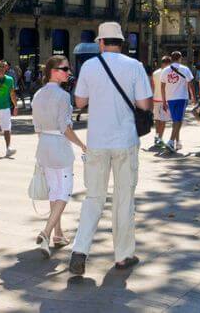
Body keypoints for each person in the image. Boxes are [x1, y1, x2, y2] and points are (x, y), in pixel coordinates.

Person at [69, 22, 152, 275]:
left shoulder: (90, 66)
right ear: (121, 43)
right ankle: (123, 255)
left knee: (93, 197)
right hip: (125, 141)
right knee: (124, 199)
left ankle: (80, 251)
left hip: (96, 141)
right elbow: (145, 105)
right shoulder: (135, 66)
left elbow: (80, 101)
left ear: (100, 42)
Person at [32, 55, 86, 258]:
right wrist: (82, 145)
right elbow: (65, 128)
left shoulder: (38, 94)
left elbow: (36, 127)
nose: (68, 73)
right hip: (59, 147)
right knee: (64, 192)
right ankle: (46, 232)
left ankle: (58, 234)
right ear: (53, 71)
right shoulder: (63, 96)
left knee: (55, 191)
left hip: (43, 144)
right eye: (65, 69)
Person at [160, 51, 195, 153]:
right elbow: (190, 84)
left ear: (171, 58)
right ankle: (171, 141)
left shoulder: (165, 70)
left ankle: (178, 142)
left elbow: (162, 87)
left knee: (176, 120)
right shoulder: (185, 69)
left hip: (170, 98)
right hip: (181, 97)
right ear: (180, 58)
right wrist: (193, 96)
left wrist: (164, 100)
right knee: (178, 121)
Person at [151, 56, 171, 147]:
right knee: (163, 120)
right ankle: (160, 138)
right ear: (168, 63)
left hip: (155, 98)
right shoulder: (169, 73)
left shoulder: (155, 73)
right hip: (165, 100)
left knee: (157, 119)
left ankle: (157, 136)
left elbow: (152, 86)